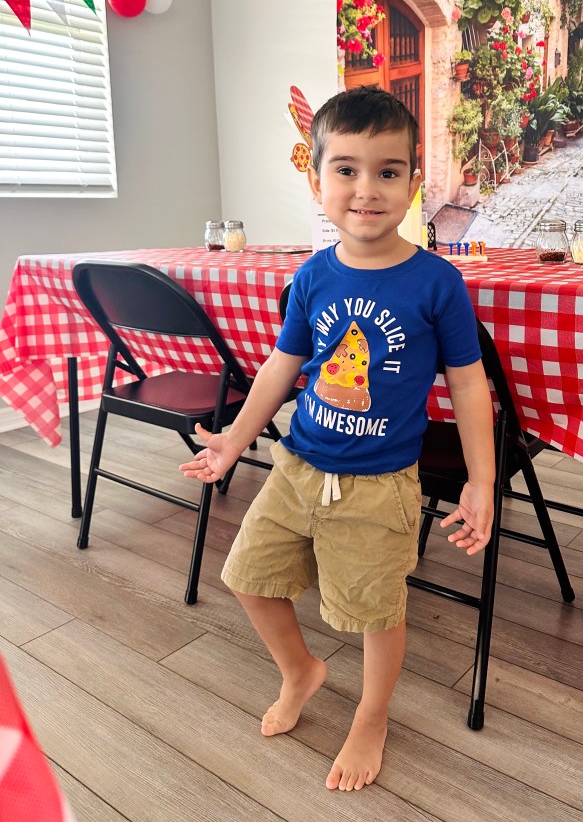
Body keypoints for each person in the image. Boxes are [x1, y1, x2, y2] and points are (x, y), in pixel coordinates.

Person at [180, 86, 495, 792]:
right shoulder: (313, 277)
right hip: (295, 465)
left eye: (388, 171)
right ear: (318, 179)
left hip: (381, 486)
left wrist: (480, 479)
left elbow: (471, 386)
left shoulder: (437, 283)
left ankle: (373, 713)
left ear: (414, 183)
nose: (366, 189)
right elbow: (280, 370)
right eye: (346, 169)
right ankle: (301, 670)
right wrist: (233, 441)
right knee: (247, 580)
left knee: (376, 613)